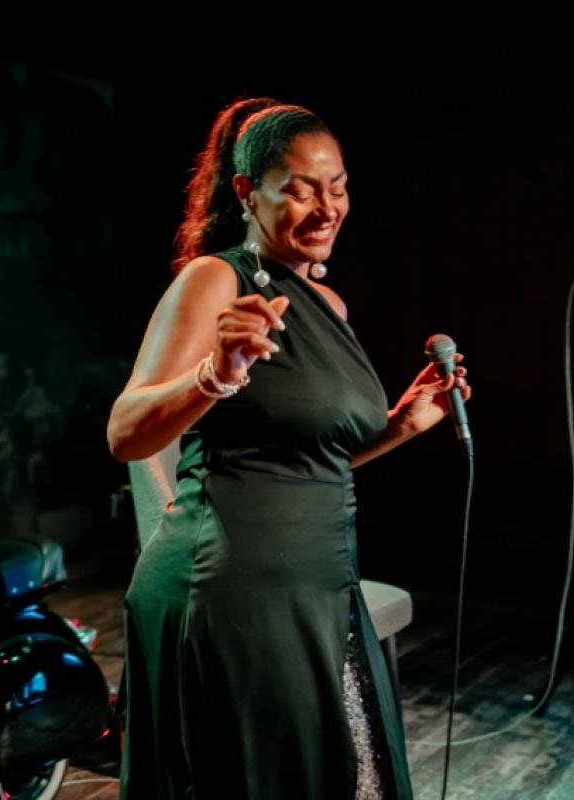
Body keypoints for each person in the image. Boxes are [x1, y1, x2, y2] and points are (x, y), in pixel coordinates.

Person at [107, 97, 470, 799]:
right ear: (248, 191)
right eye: (302, 189)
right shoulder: (215, 279)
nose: (327, 207)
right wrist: (216, 373)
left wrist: (400, 424)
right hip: (232, 593)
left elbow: (307, 459)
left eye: (338, 187)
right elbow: (126, 433)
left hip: (320, 584)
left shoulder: (328, 305)